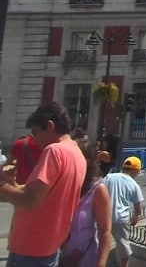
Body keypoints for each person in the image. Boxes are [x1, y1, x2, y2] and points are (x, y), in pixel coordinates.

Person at [0, 101, 87, 267]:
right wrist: (10, 182)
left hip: (30, 249)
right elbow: (37, 194)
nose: (34, 139)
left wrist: (1, 184)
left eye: (35, 132)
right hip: (48, 247)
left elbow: (30, 200)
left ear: (49, 125)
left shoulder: (54, 151)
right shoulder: (77, 153)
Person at [60, 140, 113, 267]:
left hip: (85, 257)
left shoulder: (97, 189)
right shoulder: (63, 185)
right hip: (59, 257)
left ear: (87, 161)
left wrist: (101, 264)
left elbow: (105, 231)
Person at [104, 157, 144, 267]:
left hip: (104, 217)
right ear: (137, 171)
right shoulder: (134, 184)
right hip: (120, 219)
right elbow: (137, 206)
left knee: (101, 243)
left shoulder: (109, 177)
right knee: (123, 246)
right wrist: (135, 218)